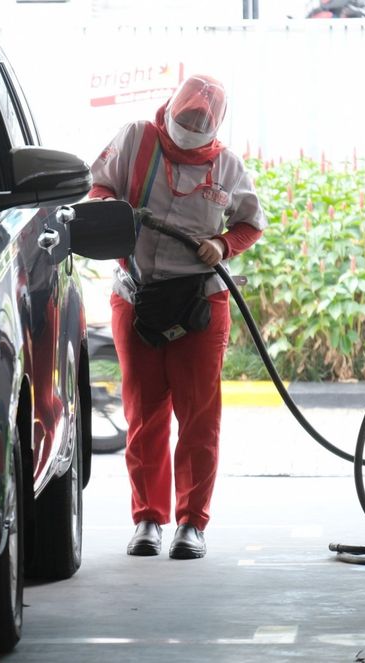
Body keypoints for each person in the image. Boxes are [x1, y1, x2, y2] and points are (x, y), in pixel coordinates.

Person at [88, 74, 267, 560]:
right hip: (136, 296)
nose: (191, 126)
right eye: (186, 118)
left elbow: (252, 222)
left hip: (199, 305)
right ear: (170, 110)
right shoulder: (135, 140)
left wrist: (222, 245)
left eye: (201, 122)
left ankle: (192, 524)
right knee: (144, 416)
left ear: (216, 125)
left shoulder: (227, 167)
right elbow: (97, 189)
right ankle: (148, 519)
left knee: (198, 418)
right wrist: (114, 214)